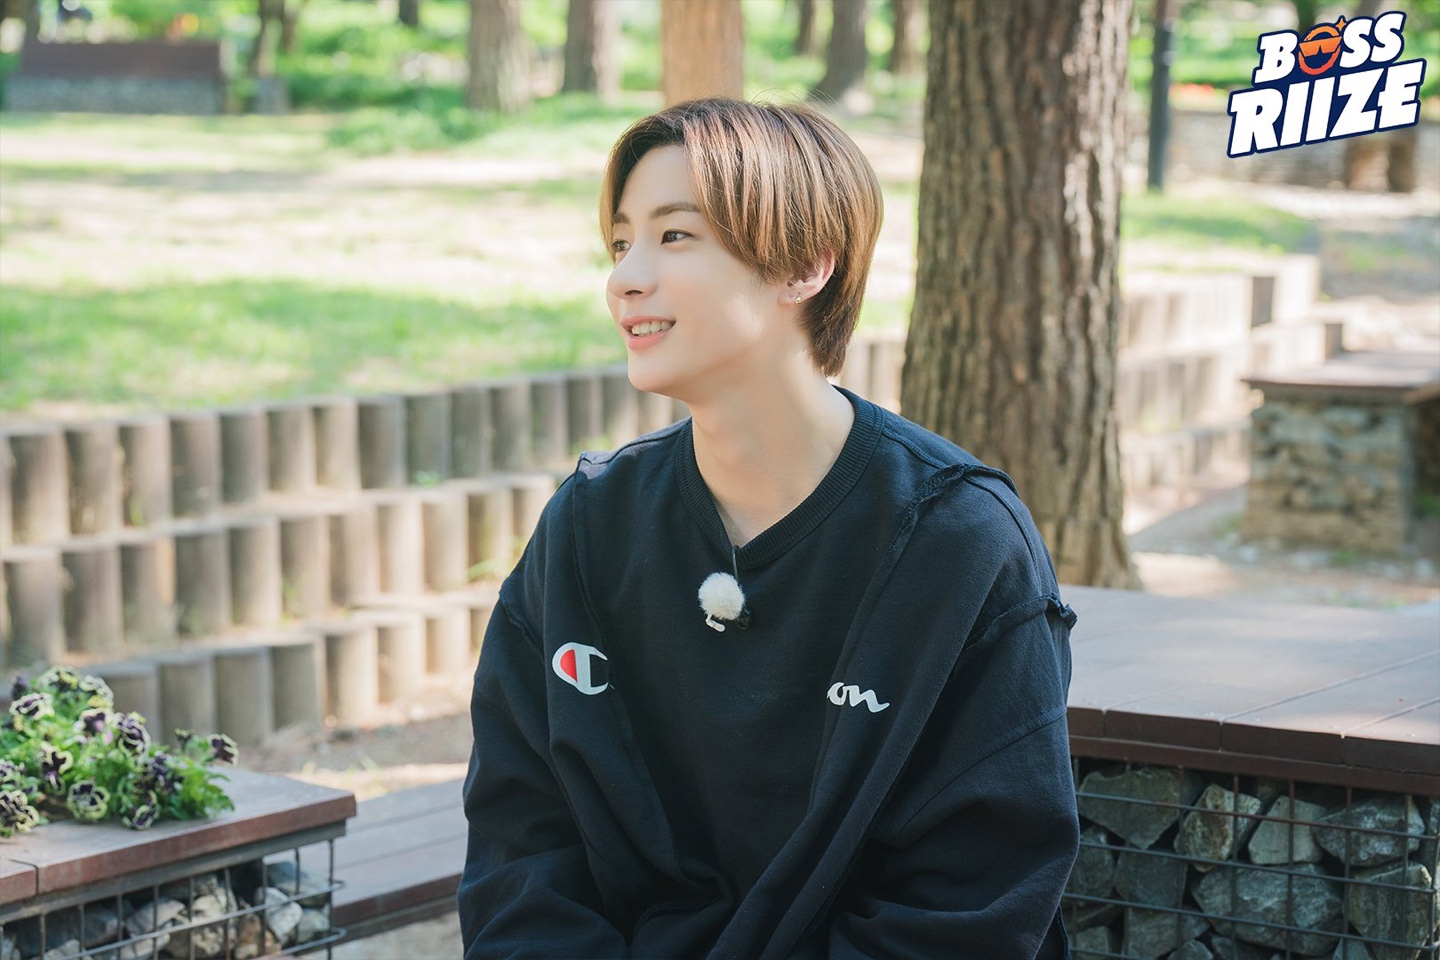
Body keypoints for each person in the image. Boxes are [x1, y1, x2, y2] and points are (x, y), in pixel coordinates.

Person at [458, 97, 1079, 959]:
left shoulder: (957, 540)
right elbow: (521, 844)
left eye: (675, 236)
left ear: (805, 266)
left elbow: (973, 895)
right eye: (621, 243)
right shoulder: (590, 524)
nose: (626, 278)